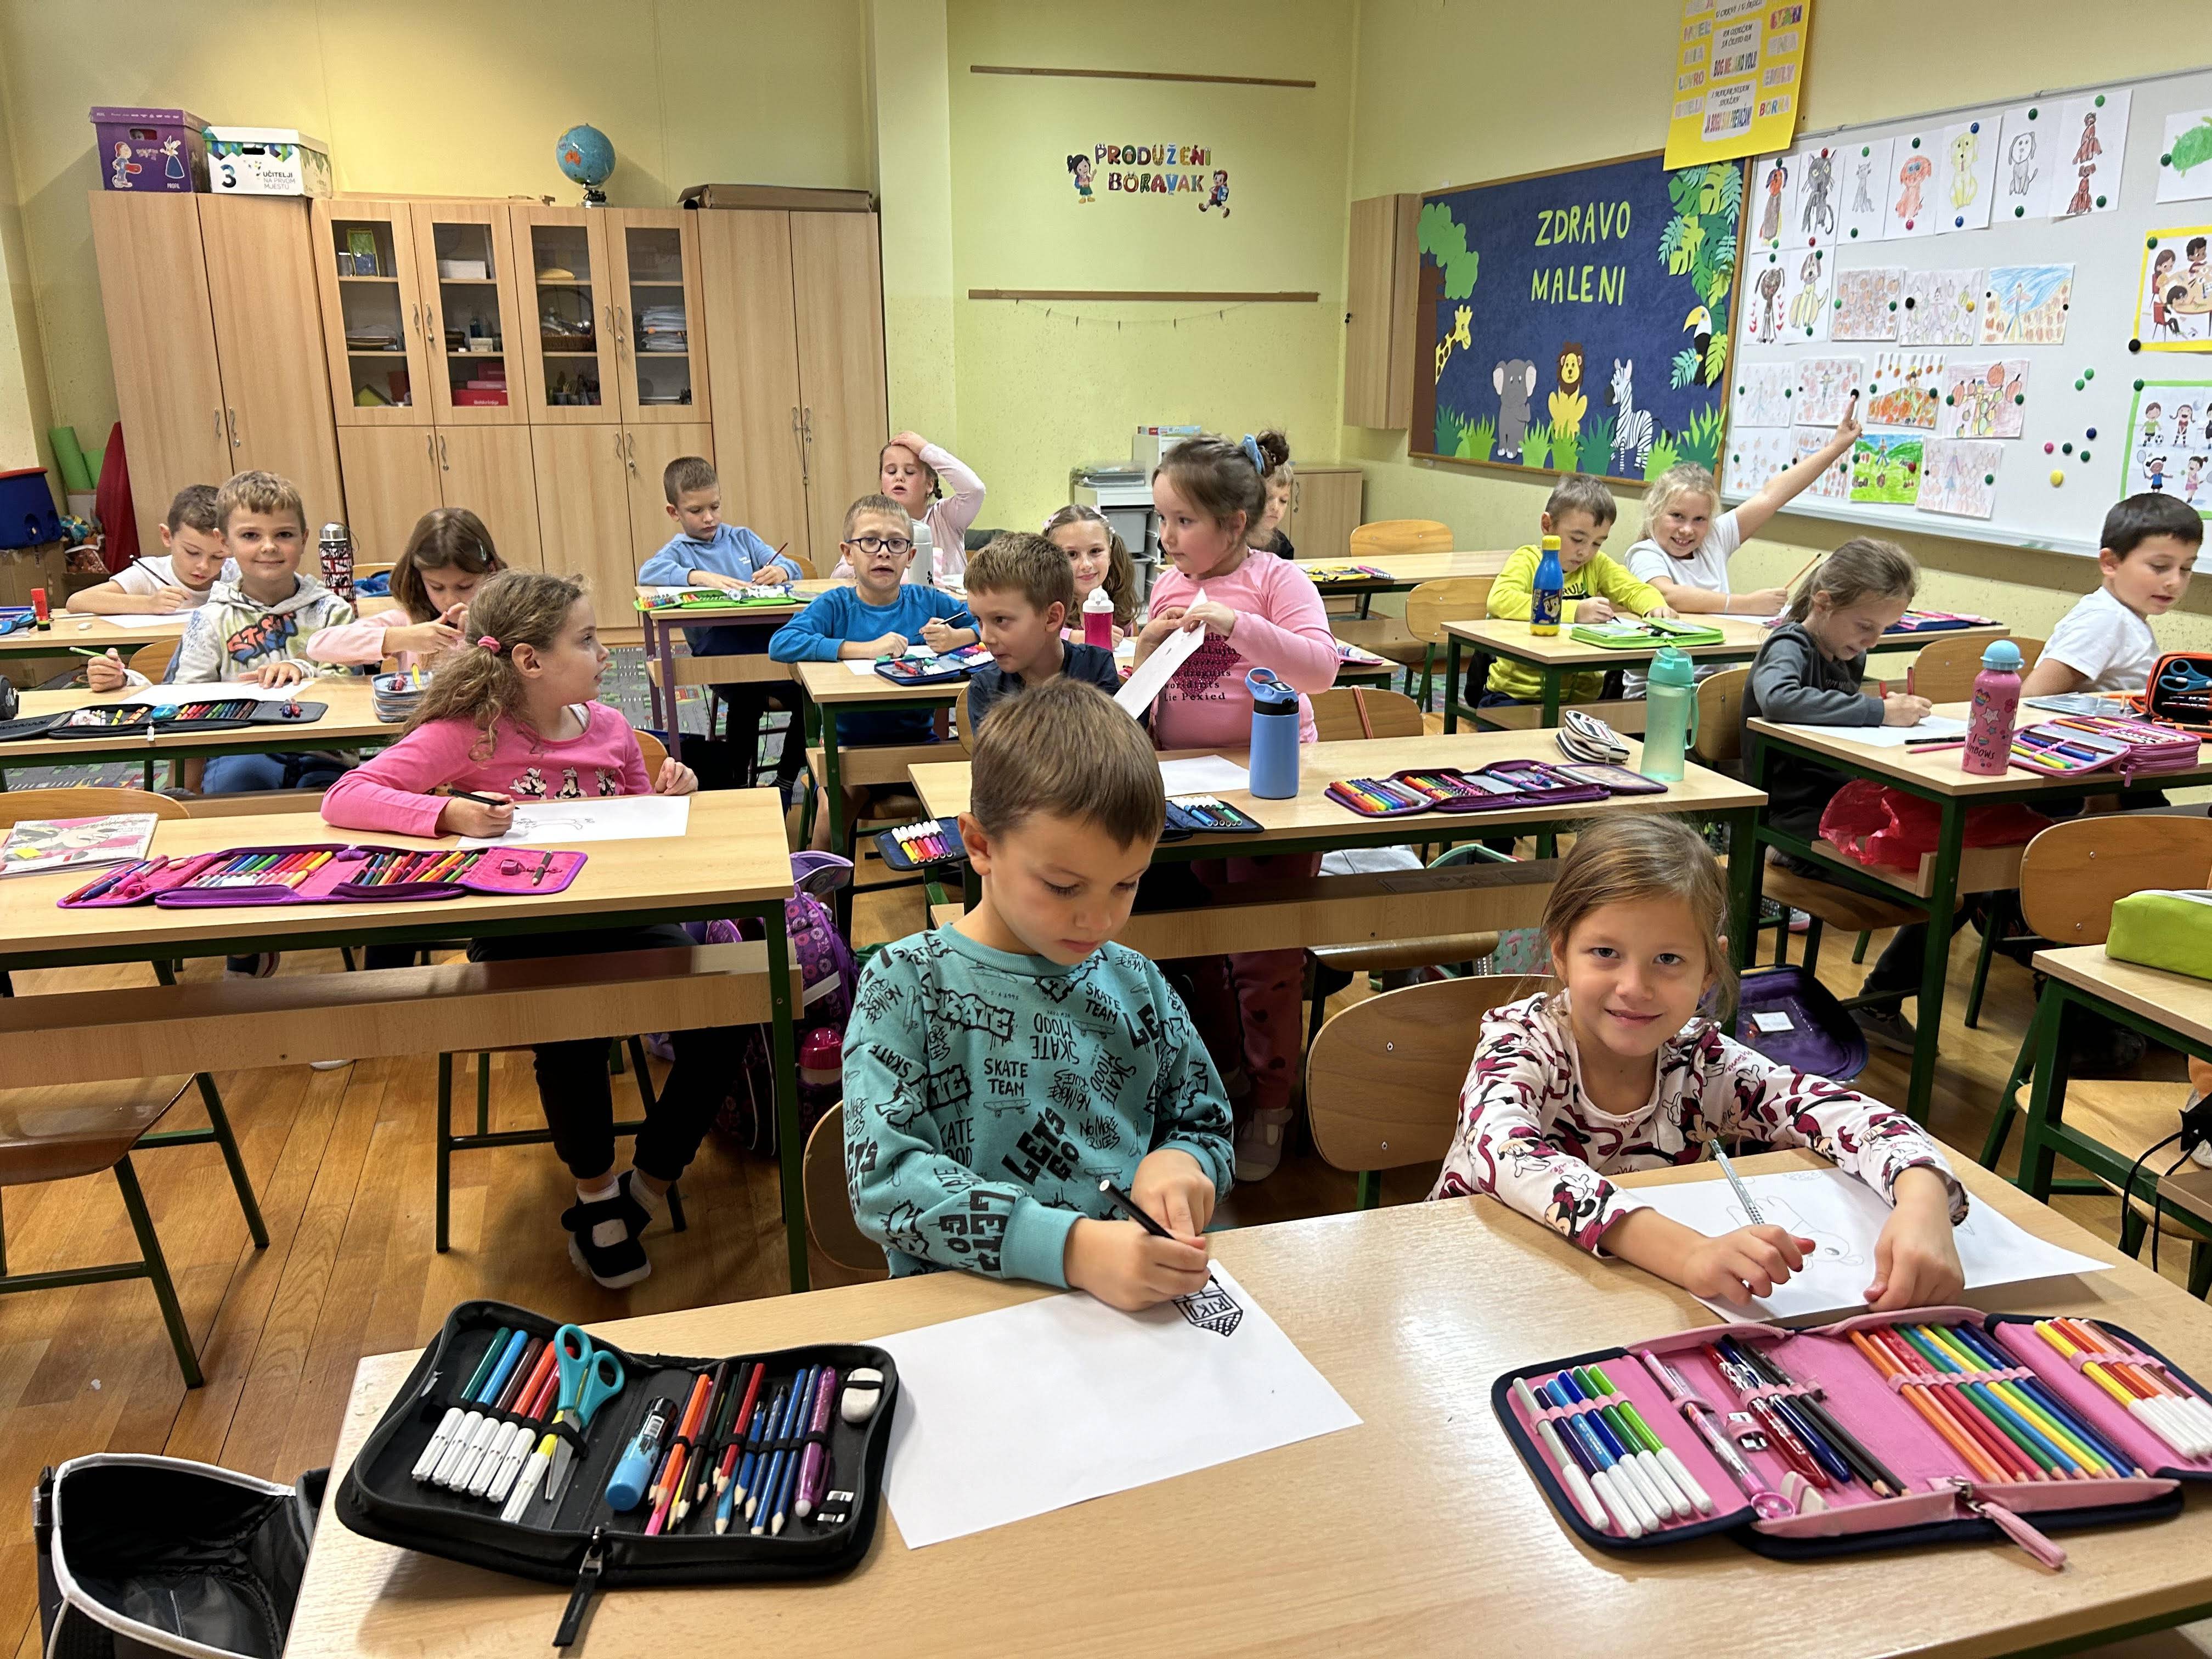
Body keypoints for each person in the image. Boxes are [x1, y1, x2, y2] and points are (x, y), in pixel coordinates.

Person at [321, 570, 720, 1289]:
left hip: (622, 919)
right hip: (523, 929)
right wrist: (447, 813)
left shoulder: (611, 729)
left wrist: (671, 798)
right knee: (570, 1027)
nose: (606, 653)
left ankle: (647, 1187)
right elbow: (346, 796)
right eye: (587, 640)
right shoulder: (468, 736)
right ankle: (596, 1197)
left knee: (732, 1008)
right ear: (530, 660)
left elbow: (643, 833)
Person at [1430, 815, 1967, 1311]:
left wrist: (1922, 1197)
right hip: (1481, 1292)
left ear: (1708, 971)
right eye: (1605, 953)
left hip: (1625, 1300)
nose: (1635, 987)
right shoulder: (1520, 1043)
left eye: (1668, 959)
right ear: (1561, 952)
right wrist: (1688, 1255)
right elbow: (1509, 1156)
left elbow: (1837, 1111)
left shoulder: (1699, 1061)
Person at [844, 676, 1232, 1307]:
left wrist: (1183, 1164)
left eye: (1126, 884)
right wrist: (1071, 1249)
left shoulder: (1138, 983)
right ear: (979, 845)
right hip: (965, 1315)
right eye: (1062, 886)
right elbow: (885, 1182)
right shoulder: (907, 984)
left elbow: (1204, 1124)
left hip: (1125, 1316)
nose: (1099, 920)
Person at [1137, 433, 1336, 1181]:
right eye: (1162, 520)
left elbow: (1320, 668)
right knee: (1202, 945)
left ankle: (1274, 1101)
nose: (1167, 537)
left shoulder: (1277, 580)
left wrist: (1232, 624)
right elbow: (1154, 692)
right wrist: (1146, 648)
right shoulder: (1168, 585)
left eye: (1183, 521)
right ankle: (1225, 1078)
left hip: (1271, 793)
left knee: (1265, 956)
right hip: (1188, 795)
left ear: (1235, 522)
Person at [1742, 538, 1948, 1052]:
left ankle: (1880, 1002)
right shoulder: (1790, 644)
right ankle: (1790, 858)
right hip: (1794, 817)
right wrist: (1878, 712)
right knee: (1940, 886)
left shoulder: (1844, 654)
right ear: (1824, 601)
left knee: (1956, 871)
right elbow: (1780, 698)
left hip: (1843, 808)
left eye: (1884, 630)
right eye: (1865, 626)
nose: (1873, 642)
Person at [770, 495, 978, 849]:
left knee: (979, 791)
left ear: (910, 556)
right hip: (848, 751)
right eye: (869, 541)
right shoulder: (836, 605)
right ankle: (819, 885)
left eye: (896, 543)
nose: (883, 553)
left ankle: (953, 873)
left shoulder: (927, 600)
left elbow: (988, 622)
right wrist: (861, 648)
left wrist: (960, 636)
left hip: (917, 747)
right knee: (832, 811)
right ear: (848, 553)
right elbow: (782, 643)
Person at [172, 470, 359, 794]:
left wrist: (302, 669)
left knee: (339, 803)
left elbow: (347, 693)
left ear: (304, 538)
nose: (269, 547)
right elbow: (187, 705)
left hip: (323, 750)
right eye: (250, 536)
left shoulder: (333, 612)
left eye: (284, 534)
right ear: (224, 542)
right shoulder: (210, 619)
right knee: (240, 791)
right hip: (240, 751)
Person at [635, 455, 809, 796]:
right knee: (746, 699)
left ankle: (785, 780)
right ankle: (737, 784)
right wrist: (698, 577)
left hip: (765, 651)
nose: (709, 517)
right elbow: (648, 573)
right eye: (696, 510)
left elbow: (793, 567)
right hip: (720, 659)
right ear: (674, 512)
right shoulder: (679, 551)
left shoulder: (742, 539)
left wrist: (781, 571)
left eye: (714, 506)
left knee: (811, 691)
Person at [1624, 400, 1860, 636]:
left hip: (1718, 654)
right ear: (1654, 511)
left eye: (1699, 519)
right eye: (1677, 516)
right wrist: (1746, 604)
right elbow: (1666, 595)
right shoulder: (1645, 553)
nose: (1687, 529)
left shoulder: (1714, 537)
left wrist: (1837, 447)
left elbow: (1772, 495)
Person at [1481, 474, 1671, 708]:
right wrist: (1575, 611)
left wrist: (1655, 605)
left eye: (1597, 543)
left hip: (1582, 699)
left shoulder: (1596, 565)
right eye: (1578, 539)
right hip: (1519, 694)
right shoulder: (1528, 560)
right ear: (1548, 526)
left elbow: (1634, 590)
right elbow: (1500, 600)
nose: (1586, 552)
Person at [2022, 493, 2202, 698]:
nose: (2175, 581)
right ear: (2111, 563)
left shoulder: (2125, 618)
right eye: (2159, 566)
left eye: (2186, 568)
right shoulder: (2106, 620)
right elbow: (2029, 699)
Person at [303, 506, 504, 674]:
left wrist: (483, 629)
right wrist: (405, 638)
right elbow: (318, 646)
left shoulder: (508, 620)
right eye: (437, 587)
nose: (450, 599)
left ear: (491, 571)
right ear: (419, 579)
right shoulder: (407, 622)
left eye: (465, 586)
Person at [962, 531, 1121, 732]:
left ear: (1052, 617)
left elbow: (1118, 745)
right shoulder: (985, 688)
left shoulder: (1096, 667)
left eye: (1000, 620)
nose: (986, 637)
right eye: (979, 620)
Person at [837, 431, 985, 587]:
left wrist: (926, 450)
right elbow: (839, 575)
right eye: (891, 471)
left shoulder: (946, 517)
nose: (899, 477)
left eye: (910, 472)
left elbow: (975, 490)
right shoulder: (870, 525)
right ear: (882, 485)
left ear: (930, 484)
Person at [70, 483, 228, 616]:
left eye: (218, 556)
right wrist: (148, 603)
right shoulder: (151, 573)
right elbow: (77, 601)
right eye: (192, 552)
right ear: (167, 536)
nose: (204, 566)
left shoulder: (236, 573)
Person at [1043, 503, 1138, 644]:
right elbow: (1035, 637)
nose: (1086, 565)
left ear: (1111, 554)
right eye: (1072, 554)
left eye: (1095, 551)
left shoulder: (1120, 610)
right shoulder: (1044, 607)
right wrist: (1075, 638)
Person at [1248, 429, 1295, 558]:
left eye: (1283, 501)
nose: (1275, 507)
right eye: (1269, 498)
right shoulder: (1231, 543)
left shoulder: (1284, 548)